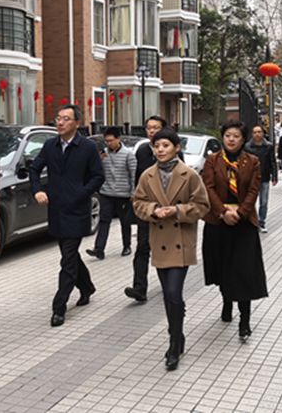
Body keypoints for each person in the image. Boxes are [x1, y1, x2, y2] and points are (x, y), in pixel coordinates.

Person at [132, 128, 209, 371]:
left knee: (174, 292)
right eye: (157, 146)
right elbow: (137, 202)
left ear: (176, 148)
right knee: (168, 294)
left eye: (165, 145)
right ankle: (178, 333)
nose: (160, 150)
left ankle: (174, 343)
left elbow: (202, 205)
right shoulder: (147, 175)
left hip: (181, 241)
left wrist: (177, 211)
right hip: (159, 240)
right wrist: (153, 210)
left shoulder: (189, 174)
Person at [30, 104, 105, 327]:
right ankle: (87, 287)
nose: (60, 122)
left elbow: (98, 177)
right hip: (56, 209)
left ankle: (59, 307)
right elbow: (34, 169)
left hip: (77, 210)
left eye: (66, 119)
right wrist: (38, 190)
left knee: (67, 259)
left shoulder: (87, 147)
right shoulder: (50, 145)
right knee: (69, 255)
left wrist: (81, 193)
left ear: (77, 123)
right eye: (58, 118)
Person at [202, 120, 268, 341]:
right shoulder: (212, 161)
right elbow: (208, 188)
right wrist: (223, 212)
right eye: (228, 135)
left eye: (236, 136)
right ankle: (226, 301)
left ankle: (245, 321)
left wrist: (240, 212)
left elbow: (253, 190)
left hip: (243, 223)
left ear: (243, 139)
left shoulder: (253, 161)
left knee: (243, 271)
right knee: (222, 268)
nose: (231, 139)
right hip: (218, 222)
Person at [124, 115, 182, 303]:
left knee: (164, 248)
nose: (151, 131)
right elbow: (137, 177)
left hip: (167, 210)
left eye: (155, 127)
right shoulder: (142, 150)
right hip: (148, 209)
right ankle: (139, 288)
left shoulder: (174, 153)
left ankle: (169, 286)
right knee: (142, 247)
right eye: (149, 128)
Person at [87, 126, 137, 259]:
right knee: (104, 221)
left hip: (123, 194)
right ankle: (99, 249)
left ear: (118, 139)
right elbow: (96, 171)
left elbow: (133, 174)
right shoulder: (103, 154)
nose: (109, 143)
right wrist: (99, 160)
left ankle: (127, 246)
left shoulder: (128, 154)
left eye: (111, 140)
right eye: (107, 141)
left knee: (125, 221)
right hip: (106, 193)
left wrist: (133, 192)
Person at [245, 125, 277, 232]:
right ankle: (252, 221)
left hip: (265, 178)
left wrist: (274, 176)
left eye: (259, 132)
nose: (257, 134)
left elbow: (272, 161)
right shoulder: (247, 147)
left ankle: (261, 222)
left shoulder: (268, 146)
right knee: (250, 201)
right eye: (255, 132)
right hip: (251, 179)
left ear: (263, 133)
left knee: (264, 202)